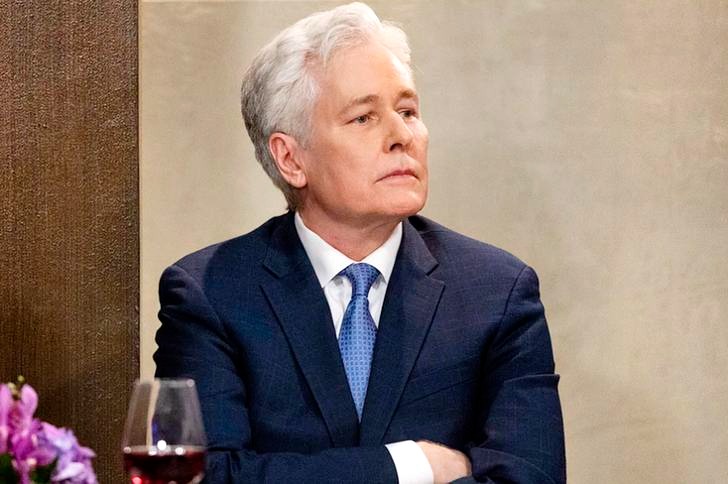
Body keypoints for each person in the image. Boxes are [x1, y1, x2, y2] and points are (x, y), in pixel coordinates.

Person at [154, 3, 565, 483]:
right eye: (364, 118)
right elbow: (202, 476)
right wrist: (411, 465)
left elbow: (530, 477)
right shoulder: (210, 294)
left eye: (407, 111)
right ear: (290, 159)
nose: (401, 136)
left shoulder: (497, 292)